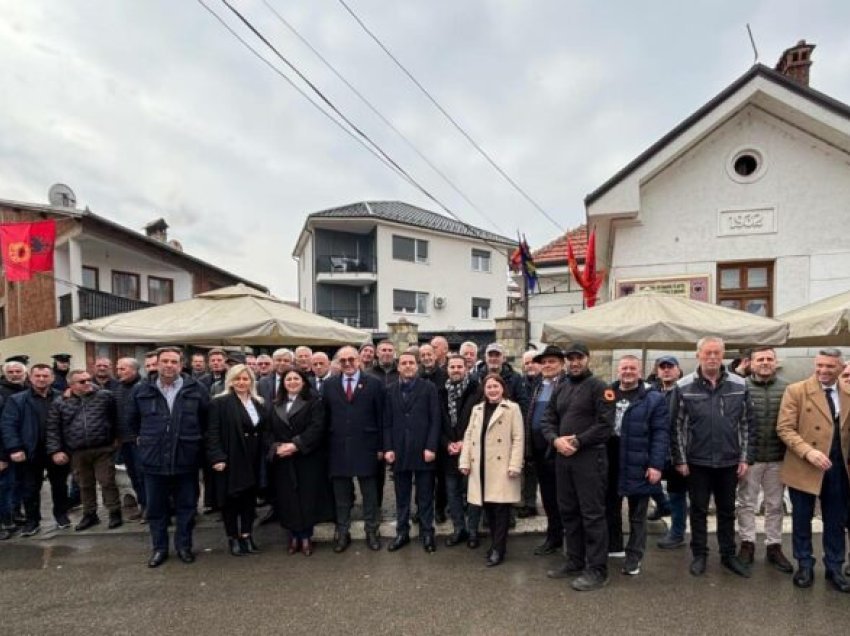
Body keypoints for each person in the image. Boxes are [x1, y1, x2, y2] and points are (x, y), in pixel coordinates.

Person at [672, 336, 754, 578]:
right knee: (697, 510)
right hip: (697, 462)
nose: (712, 357)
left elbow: (748, 424)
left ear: (723, 355)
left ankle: (728, 555)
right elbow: (676, 426)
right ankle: (699, 554)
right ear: (698, 355)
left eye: (717, 353)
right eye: (707, 353)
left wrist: (745, 457)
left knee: (727, 510)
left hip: (729, 461)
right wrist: (680, 459)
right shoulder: (684, 386)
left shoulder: (740, 385)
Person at [126, 347, 210, 568]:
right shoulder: (141, 390)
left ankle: (184, 546)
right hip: (154, 460)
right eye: (165, 361)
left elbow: (206, 420)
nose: (169, 365)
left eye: (174, 361)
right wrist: (146, 442)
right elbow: (133, 422)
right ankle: (159, 548)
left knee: (187, 507)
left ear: (181, 365)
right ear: (157, 363)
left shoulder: (196, 389)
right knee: (156, 509)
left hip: (186, 458)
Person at [541, 342, 614, 592]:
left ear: (588, 359)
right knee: (568, 512)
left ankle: (597, 569)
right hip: (564, 458)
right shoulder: (561, 386)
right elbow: (548, 419)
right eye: (570, 358)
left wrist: (578, 440)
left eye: (579, 357)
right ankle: (574, 560)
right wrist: (555, 439)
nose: (574, 362)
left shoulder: (599, 387)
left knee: (592, 515)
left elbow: (606, 426)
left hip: (589, 459)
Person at [777, 348, 850, 592]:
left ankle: (835, 567)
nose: (823, 371)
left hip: (839, 467)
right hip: (804, 464)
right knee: (801, 518)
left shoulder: (848, 392)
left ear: (841, 367)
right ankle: (805, 564)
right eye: (819, 365)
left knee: (835, 520)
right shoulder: (796, 391)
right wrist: (808, 451)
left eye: (830, 366)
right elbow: (785, 429)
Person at [610, 355, 669, 575]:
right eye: (624, 368)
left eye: (632, 368)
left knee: (637, 515)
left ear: (640, 372)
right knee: (611, 508)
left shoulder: (653, 398)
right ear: (618, 371)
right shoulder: (608, 393)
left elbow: (661, 434)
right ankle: (614, 547)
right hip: (612, 460)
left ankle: (634, 557)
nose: (627, 372)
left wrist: (656, 465)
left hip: (639, 462)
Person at [735, 347, 792, 573]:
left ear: (776, 362)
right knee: (746, 503)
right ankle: (747, 543)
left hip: (778, 457)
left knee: (775, 505)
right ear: (751, 363)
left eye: (769, 359)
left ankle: (773, 546)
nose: (765, 363)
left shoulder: (788, 388)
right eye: (760, 359)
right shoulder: (740, 387)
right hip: (750, 458)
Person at [323, 345, 385, 552]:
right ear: (338, 363)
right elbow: (325, 417)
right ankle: (343, 532)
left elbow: (382, 417)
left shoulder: (375, 384)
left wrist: (381, 447)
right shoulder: (329, 385)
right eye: (343, 361)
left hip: (367, 445)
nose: (347, 364)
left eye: (351, 359)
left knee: (369, 493)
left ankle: (371, 531)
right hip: (338, 446)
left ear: (359, 360)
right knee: (341, 495)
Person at [459, 373, 524, 567]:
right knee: (488, 509)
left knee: (501, 510)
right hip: (481, 465)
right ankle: (495, 544)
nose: (493, 390)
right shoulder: (477, 409)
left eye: (496, 386)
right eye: (489, 387)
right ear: (484, 390)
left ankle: (499, 549)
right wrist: (464, 461)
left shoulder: (512, 408)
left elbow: (518, 438)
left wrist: (514, 465)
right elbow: (469, 435)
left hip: (502, 467)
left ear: (502, 388)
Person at [45, 369, 122, 531]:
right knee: (84, 485)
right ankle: (90, 514)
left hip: (102, 448)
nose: (87, 383)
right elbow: (53, 428)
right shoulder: (60, 402)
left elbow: (116, 417)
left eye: (88, 379)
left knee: (107, 481)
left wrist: (116, 438)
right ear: (71, 385)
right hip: (77, 451)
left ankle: (114, 512)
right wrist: (56, 450)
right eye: (82, 381)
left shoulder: (104, 396)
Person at [267, 369, 333, 556]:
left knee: (306, 499)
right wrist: (276, 447)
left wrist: (296, 445)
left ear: (303, 382)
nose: (292, 382)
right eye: (289, 379)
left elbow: (317, 428)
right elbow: (267, 430)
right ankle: (293, 536)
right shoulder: (274, 404)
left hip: (306, 458)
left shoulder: (314, 403)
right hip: (283, 460)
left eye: (296, 378)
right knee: (288, 501)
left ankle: (305, 537)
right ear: (283, 383)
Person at [1, 364, 69, 537]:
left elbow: (69, 425)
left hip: (56, 450)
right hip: (29, 452)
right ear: (30, 378)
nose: (41, 379)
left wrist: (66, 449)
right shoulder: (17, 400)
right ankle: (32, 521)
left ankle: (61, 515)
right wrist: (15, 448)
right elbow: (8, 425)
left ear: (52, 378)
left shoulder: (62, 398)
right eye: (37, 376)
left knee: (60, 486)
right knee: (30, 489)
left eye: (45, 376)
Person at [206, 364, 267, 557]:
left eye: (245, 379)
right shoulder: (219, 402)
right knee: (231, 499)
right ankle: (233, 537)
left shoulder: (259, 402)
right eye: (237, 379)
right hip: (230, 456)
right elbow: (212, 432)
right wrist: (217, 457)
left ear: (251, 381)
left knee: (249, 499)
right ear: (230, 381)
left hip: (254, 457)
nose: (241, 382)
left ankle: (247, 536)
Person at [384, 352, 441, 553]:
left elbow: (436, 420)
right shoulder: (390, 390)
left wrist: (431, 447)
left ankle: (427, 533)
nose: (408, 366)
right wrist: (388, 448)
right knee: (402, 496)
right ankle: (402, 532)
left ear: (416, 367)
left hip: (423, 450)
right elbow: (387, 422)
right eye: (404, 363)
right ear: (398, 367)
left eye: (411, 363)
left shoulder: (429, 388)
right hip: (399, 451)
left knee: (425, 496)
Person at [526, 345, 566, 555]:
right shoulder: (538, 384)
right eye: (544, 362)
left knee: (562, 497)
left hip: (557, 449)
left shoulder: (567, 384)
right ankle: (554, 536)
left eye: (552, 361)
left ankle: (563, 536)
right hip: (538, 449)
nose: (547, 365)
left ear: (561, 364)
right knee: (548, 496)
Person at [439, 354, 480, 548]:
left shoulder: (476, 390)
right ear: (447, 369)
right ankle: (459, 529)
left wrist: (465, 442)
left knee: (472, 493)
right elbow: (437, 422)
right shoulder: (441, 392)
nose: (456, 370)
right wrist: (447, 443)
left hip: (470, 450)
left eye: (459, 367)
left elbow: (480, 421)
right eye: (452, 366)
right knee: (452, 493)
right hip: (449, 451)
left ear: (466, 368)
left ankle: (473, 530)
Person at [652, 355, 689, 549]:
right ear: (657, 371)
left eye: (670, 367)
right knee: (649, 483)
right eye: (662, 367)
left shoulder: (684, 392)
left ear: (678, 370)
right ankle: (661, 504)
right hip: (657, 450)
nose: (666, 370)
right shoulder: (653, 393)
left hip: (677, 452)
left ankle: (677, 533)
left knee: (677, 494)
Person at [114, 358, 145, 521]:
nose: (119, 372)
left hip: (139, 440)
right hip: (124, 440)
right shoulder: (118, 388)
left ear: (134, 370)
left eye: (123, 369)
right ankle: (142, 505)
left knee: (143, 475)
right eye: (118, 369)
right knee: (133, 475)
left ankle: (150, 508)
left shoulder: (143, 387)